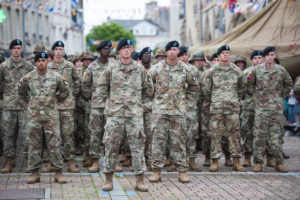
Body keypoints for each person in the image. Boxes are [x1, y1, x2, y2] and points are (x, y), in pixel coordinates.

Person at [98, 39, 153, 192]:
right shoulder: (111, 68)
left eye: (129, 48)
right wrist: (107, 106)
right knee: (110, 147)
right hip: (115, 115)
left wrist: (140, 106)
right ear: (119, 51)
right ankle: (108, 179)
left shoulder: (140, 69)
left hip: (134, 115)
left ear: (132, 49)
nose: (127, 50)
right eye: (124, 48)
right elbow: (101, 89)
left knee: (137, 148)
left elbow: (149, 90)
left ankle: (140, 180)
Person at [148, 40, 199, 183]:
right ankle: (156, 171)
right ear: (166, 52)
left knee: (179, 141)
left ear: (178, 52)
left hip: (178, 112)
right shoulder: (156, 69)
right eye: (169, 49)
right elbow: (146, 87)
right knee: (158, 141)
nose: (172, 52)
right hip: (160, 112)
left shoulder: (187, 69)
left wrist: (187, 104)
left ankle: (182, 171)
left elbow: (194, 88)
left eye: (175, 49)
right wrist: (154, 102)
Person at [18, 52, 69, 184]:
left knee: (54, 144)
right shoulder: (28, 77)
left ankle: (58, 172)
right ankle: (35, 172)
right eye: (39, 60)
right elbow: (21, 92)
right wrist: (31, 102)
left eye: (43, 60)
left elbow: (64, 92)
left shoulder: (56, 76)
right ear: (35, 63)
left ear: (48, 62)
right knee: (34, 144)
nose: (41, 62)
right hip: (34, 117)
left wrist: (54, 100)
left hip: (50, 116)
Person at [248, 47, 292, 172]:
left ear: (274, 56)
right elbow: (249, 86)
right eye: (267, 55)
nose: (270, 57)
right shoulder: (256, 70)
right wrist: (257, 99)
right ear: (263, 57)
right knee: (259, 137)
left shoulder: (281, 70)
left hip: (276, 110)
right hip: (261, 109)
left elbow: (288, 84)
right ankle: (258, 162)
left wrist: (279, 96)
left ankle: (279, 162)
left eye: (272, 55)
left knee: (276, 137)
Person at [202, 45, 245, 172]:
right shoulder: (212, 71)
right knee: (215, 135)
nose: (225, 55)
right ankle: (214, 162)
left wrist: (235, 100)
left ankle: (236, 161)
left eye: (227, 53)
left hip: (232, 109)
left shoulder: (236, 70)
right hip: (217, 109)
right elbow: (206, 90)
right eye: (223, 53)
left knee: (234, 135)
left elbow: (242, 88)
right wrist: (215, 100)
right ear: (219, 55)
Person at [0, 39, 34, 173]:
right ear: (10, 50)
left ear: (22, 50)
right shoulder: (3, 66)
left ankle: (28, 161)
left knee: (27, 135)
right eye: (13, 48)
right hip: (8, 107)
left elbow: (33, 84)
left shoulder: (28, 66)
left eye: (18, 48)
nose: (16, 50)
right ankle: (9, 161)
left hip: (25, 106)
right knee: (8, 135)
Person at [47, 41, 80, 173]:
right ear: (53, 52)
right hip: (52, 106)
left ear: (64, 50)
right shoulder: (48, 66)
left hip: (67, 106)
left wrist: (72, 94)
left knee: (68, 135)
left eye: (61, 49)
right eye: (56, 49)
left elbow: (77, 81)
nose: (59, 52)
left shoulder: (70, 66)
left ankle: (70, 161)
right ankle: (52, 162)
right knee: (52, 135)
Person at [81, 41, 112, 173]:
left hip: (112, 106)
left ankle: (111, 162)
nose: (106, 51)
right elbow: (85, 84)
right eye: (104, 49)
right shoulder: (92, 66)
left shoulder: (115, 65)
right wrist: (92, 96)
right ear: (99, 51)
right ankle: (95, 161)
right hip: (97, 105)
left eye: (108, 49)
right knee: (95, 134)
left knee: (111, 135)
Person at [240, 50, 263, 167]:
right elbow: (241, 89)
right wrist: (244, 101)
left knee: (262, 133)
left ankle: (263, 158)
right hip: (249, 107)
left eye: (259, 58)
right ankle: (247, 157)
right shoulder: (246, 73)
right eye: (255, 58)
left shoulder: (268, 72)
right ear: (252, 60)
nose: (258, 60)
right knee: (247, 132)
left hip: (264, 107)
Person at [139, 47, 154, 170]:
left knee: (150, 134)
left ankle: (149, 159)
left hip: (150, 107)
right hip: (136, 107)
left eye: (149, 54)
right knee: (137, 135)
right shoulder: (136, 70)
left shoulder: (154, 70)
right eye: (144, 54)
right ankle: (138, 160)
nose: (147, 56)